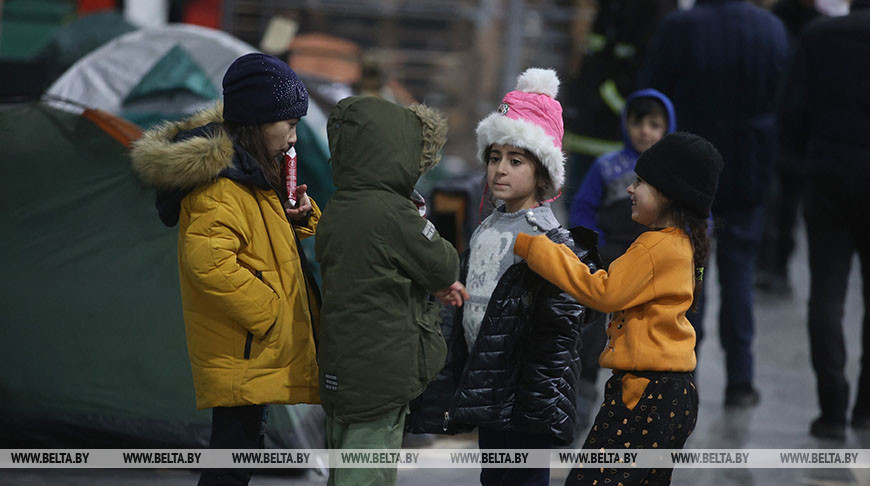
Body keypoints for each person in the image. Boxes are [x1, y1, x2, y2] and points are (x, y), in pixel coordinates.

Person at [130, 53, 321, 486]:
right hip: (243, 344)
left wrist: (298, 216)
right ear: (257, 122)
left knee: (240, 450)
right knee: (233, 456)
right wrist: (269, 312)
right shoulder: (221, 184)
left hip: (249, 344)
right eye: (287, 125)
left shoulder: (251, 174)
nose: (293, 137)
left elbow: (259, 236)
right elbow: (209, 260)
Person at [409, 68, 602, 486]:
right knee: (494, 478)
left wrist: (538, 400)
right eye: (494, 157)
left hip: (526, 397)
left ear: (543, 172)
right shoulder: (487, 228)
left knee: (523, 479)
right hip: (492, 388)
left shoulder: (548, 238)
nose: (500, 169)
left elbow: (562, 329)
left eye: (515, 161)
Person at [515, 132, 723, 486]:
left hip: (644, 394)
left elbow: (603, 292)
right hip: (674, 395)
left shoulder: (654, 248)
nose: (629, 188)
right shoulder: (683, 244)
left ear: (669, 194)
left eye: (641, 182)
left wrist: (538, 249)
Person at [638, 0, 789, 407]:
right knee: (739, 277)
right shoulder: (771, 30)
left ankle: (683, 373)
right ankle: (741, 381)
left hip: (690, 172)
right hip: (749, 173)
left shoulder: (680, 27)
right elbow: (782, 100)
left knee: (687, 275)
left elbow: (651, 94)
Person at [314, 96, 466, 486]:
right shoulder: (394, 213)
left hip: (340, 367)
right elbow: (444, 264)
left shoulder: (337, 206)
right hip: (380, 372)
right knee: (367, 472)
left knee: (341, 465)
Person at [778, 0, 870, 441]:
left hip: (827, 174)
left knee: (827, 295)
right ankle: (867, 409)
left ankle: (832, 409)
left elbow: (792, 109)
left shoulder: (820, 37)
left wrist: (802, 164)